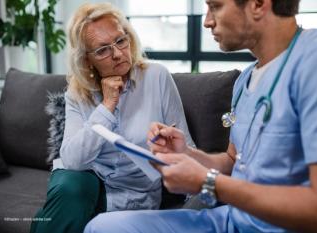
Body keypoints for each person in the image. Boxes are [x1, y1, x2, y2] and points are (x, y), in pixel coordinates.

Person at [84, 0, 317, 232]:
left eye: (215, 6)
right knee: (102, 227)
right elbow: (233, 162)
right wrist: (187, 154)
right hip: (231, 220)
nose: (207, 21)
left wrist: (209, 182)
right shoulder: (245, 80)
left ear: (258, 4)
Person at [30, 3, 194, 233]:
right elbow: (72, 161)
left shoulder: (156, 77)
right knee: (71, 186)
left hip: (132, 196)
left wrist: (196, 207)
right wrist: (107, 107)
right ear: (88, 60)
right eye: (102, 50)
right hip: (85, 184)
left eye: (120, 41)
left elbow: (185, 146)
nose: (117, 54)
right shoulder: (78, 93)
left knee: (58, 211)